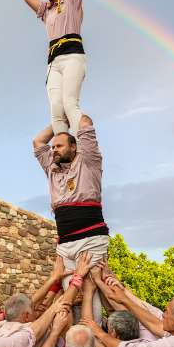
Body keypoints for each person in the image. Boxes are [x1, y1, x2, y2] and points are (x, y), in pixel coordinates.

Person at [32, 115, 107, 313]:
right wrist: (58, 121)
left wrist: (70, 111)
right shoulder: (52, 168)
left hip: (90, 238)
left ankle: (93, 335)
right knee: (71, 295)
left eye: (59, 146)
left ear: (74, 147)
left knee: (91, 291)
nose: (54, 149)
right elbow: (38, 142)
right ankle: (73, 339)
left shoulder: (88, 160)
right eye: (53, 146)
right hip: (65, 243)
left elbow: (86, 123)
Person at [22, 0, 86, 137]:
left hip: (73, 56)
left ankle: (83, 145)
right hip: (53, 62)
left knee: (69, 103)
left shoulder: (72, 0)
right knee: (56, 109)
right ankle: (64, 152)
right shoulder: (46, 10)